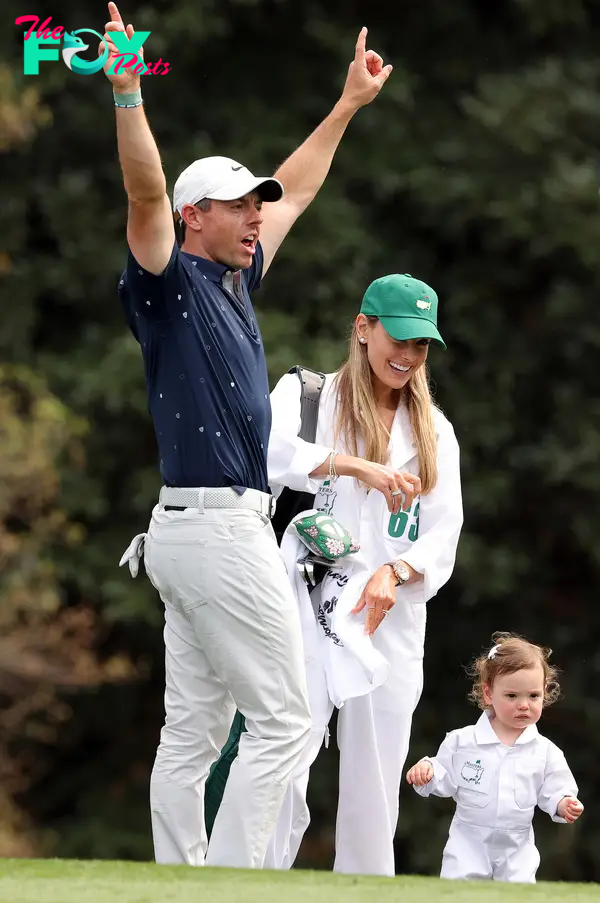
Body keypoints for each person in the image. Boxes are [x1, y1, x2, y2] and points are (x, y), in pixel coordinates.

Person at [103, 1, 395, 870]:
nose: (258, 215)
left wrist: (345, 106)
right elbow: (145, 191)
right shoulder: (167, 280)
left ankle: (177, 880)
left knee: (193, 731)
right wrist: (128, 91)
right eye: (240, 207)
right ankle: (227, 883)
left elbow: (298, 184)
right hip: (219, 535)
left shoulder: (235, 278)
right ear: (197, 219)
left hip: (191, 532)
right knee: (284, 719)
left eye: (255, 206)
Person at [254, 272, 463, 876]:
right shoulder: (310, 394)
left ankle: (367, 889)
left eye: (421, 344)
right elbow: (264, 453)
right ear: (363, 328)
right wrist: (353, 466)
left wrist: (397, 572)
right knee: (286, 756)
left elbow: (443, 532)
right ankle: (251, 884)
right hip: (307, 599)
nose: (408, 355)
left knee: (376, 776)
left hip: (386, 613)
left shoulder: (436, 432)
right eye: (398, 337)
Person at [406, 633, 584, 883]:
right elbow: (443, 776)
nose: (524, 705)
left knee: (518, 895)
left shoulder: (545, 751)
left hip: (517, 847)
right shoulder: (462, 741)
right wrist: (427, 770)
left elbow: (555, 788)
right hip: (468, 841)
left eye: (533, 696)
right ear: (489, 694)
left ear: (544, 692)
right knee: (459, 892)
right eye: (512, 696)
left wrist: (564, 802)